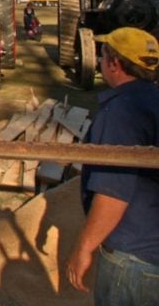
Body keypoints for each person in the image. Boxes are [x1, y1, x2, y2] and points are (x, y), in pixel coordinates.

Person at [65, 27, 159, 305]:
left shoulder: (120, 113)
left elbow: (113, 192)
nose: (99, 60)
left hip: (133, 259)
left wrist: (83, 247)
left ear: (114, 63)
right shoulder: (153, 100)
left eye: (102, 54)